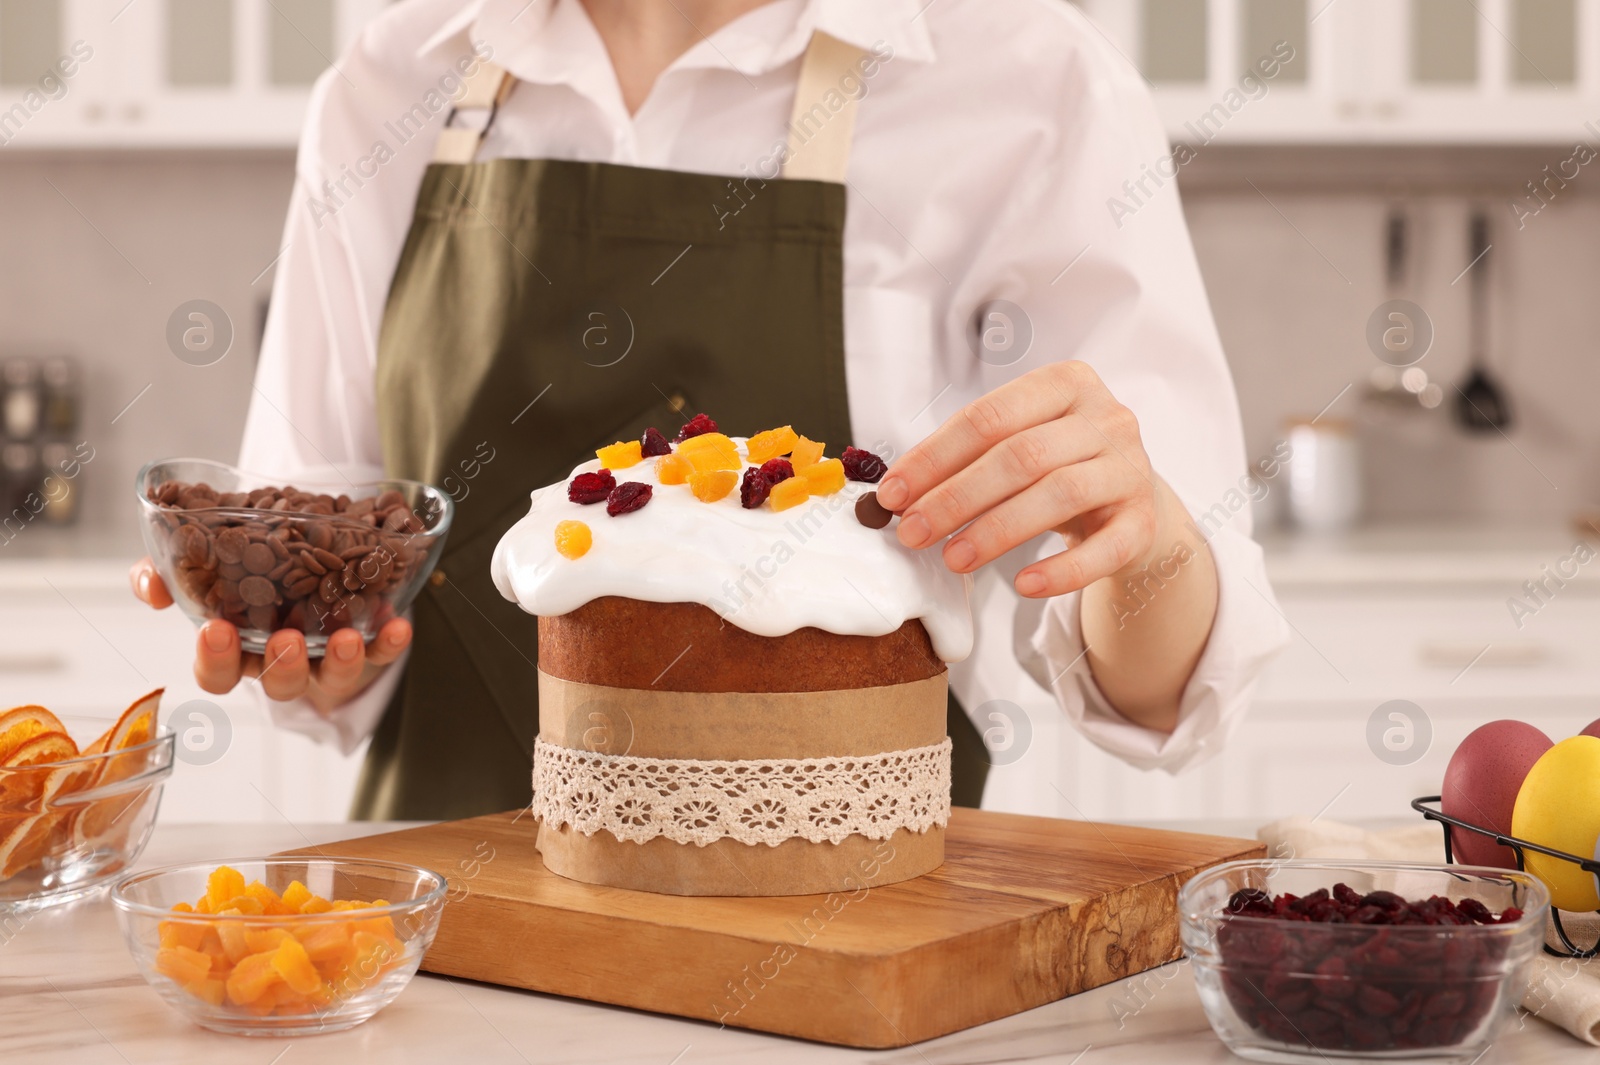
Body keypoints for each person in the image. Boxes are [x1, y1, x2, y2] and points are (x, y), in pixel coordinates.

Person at [130, 0, 1290, 820]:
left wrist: (1146, 543)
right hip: (457, 917)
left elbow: (1161, 686)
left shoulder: (1031, 85)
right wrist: (315, 648)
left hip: (850, 927)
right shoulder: (388, 86)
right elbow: (337, 550)